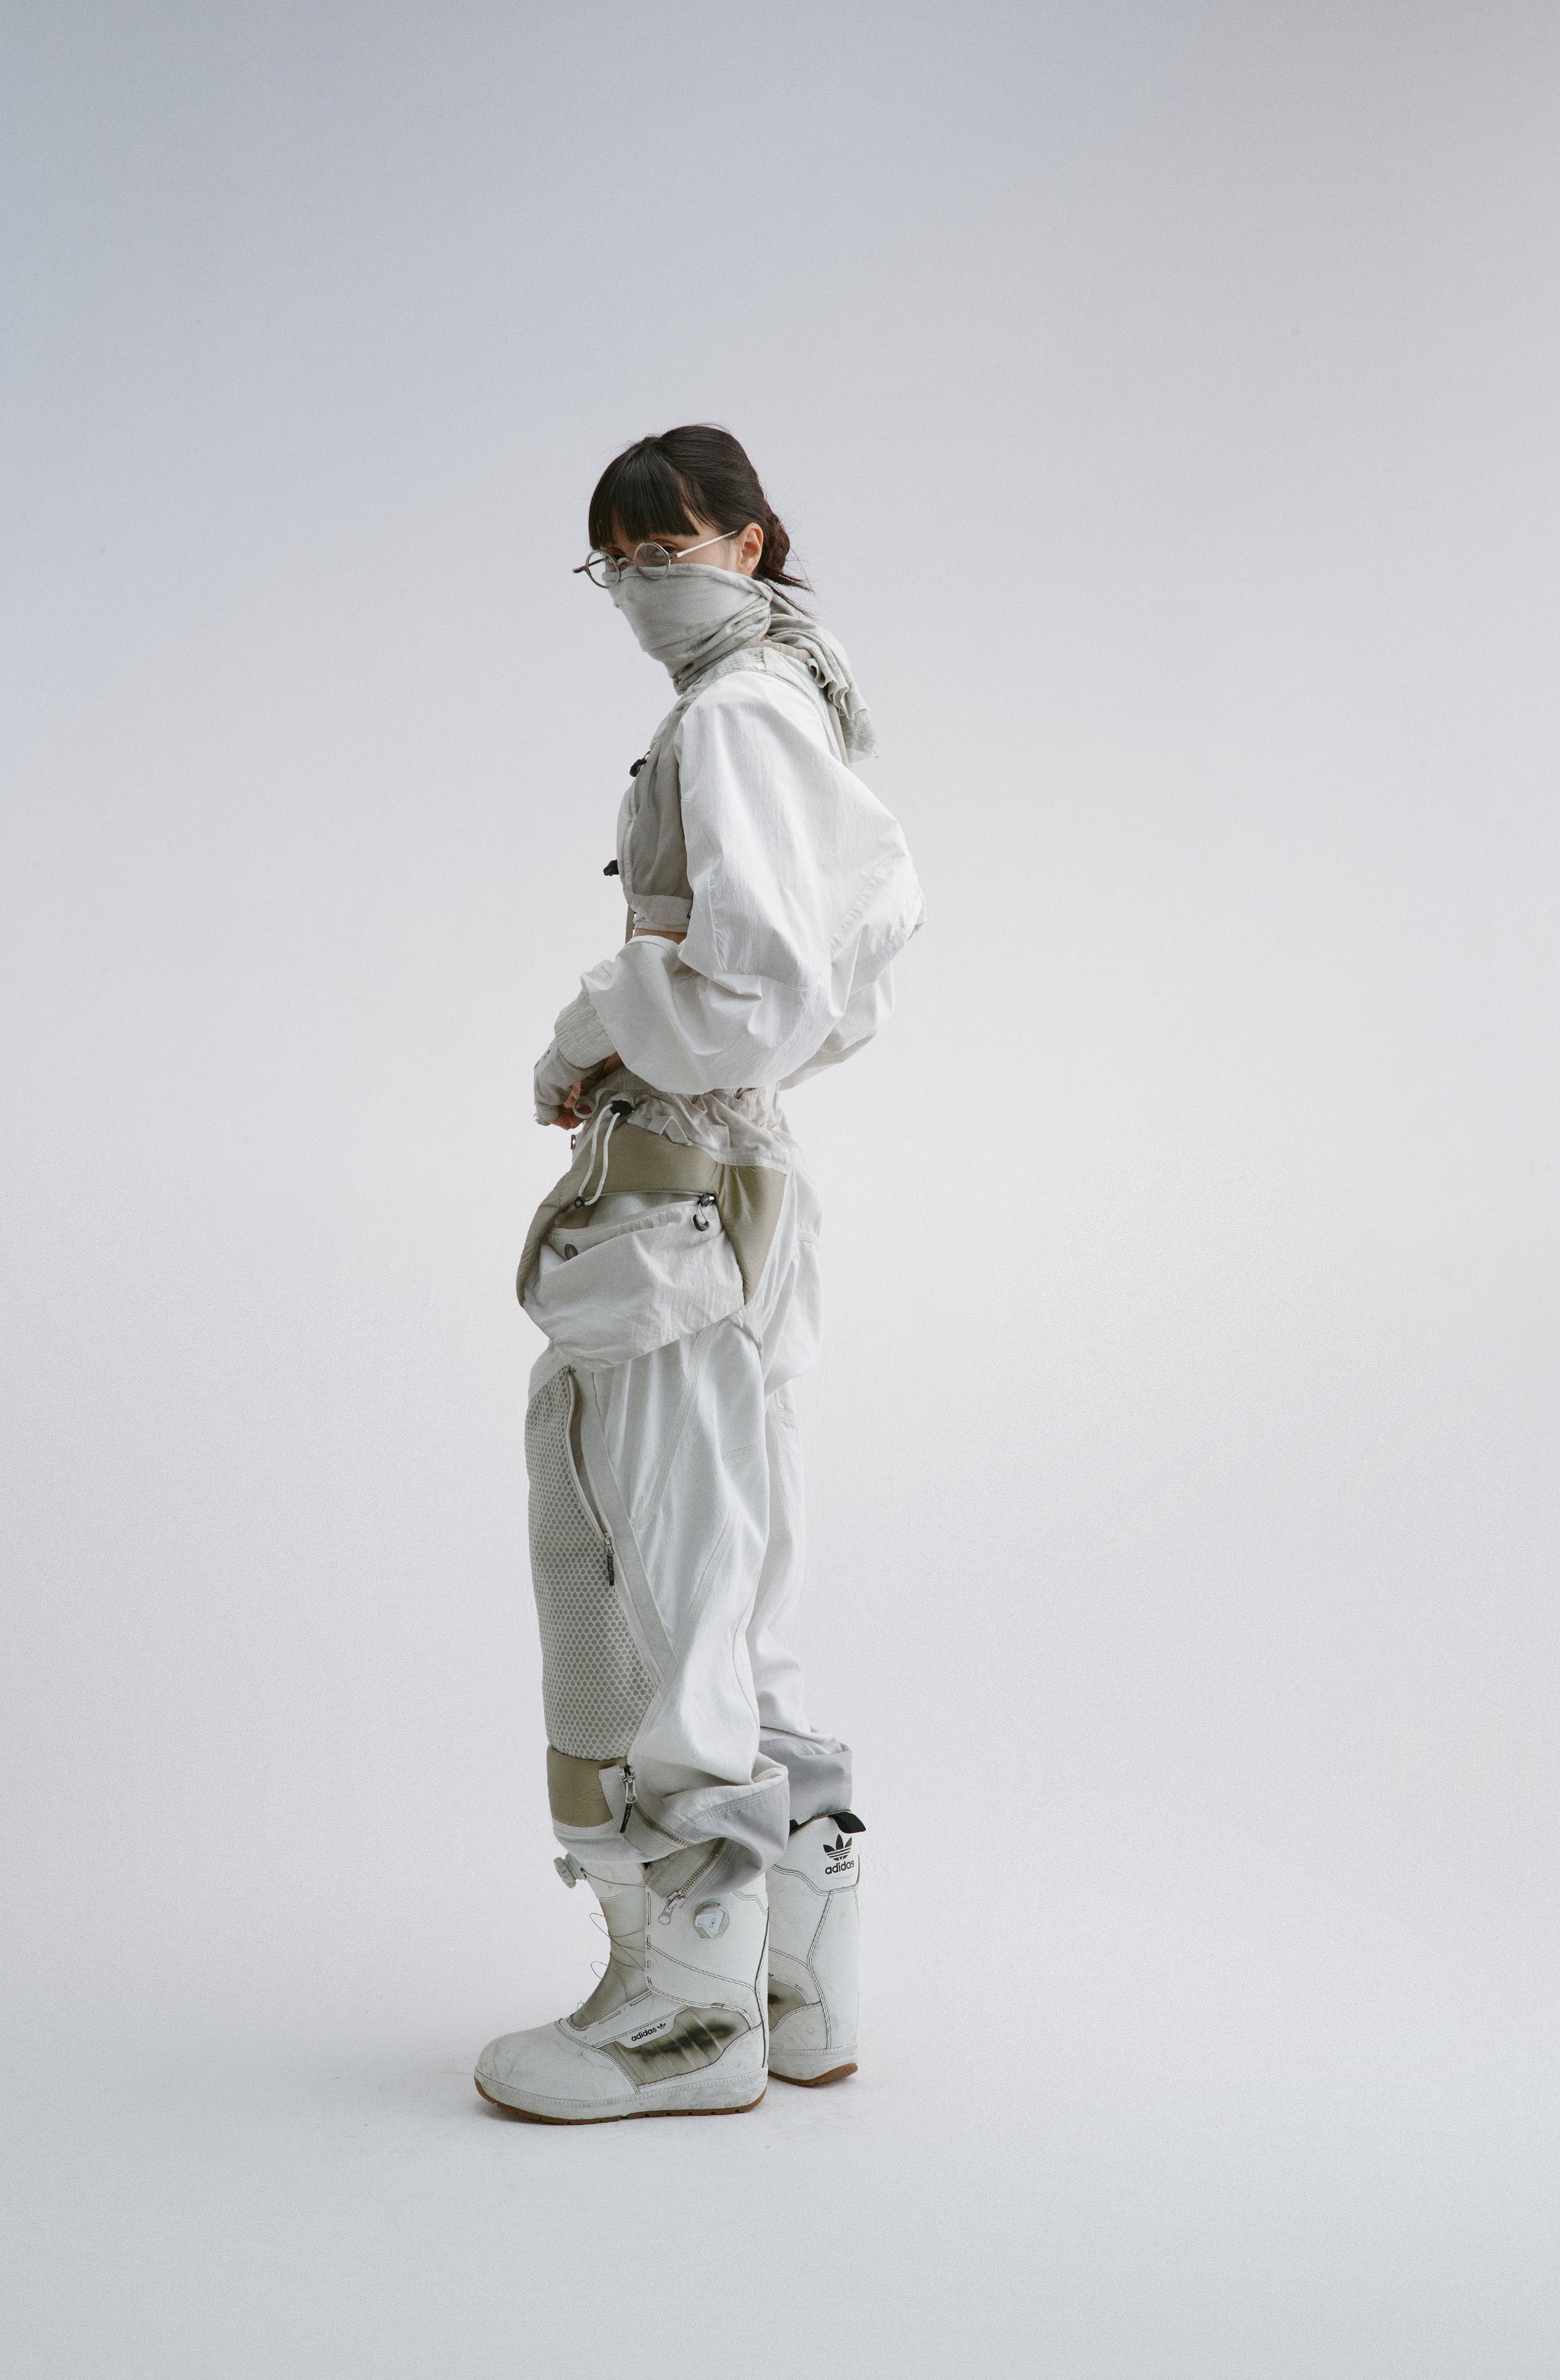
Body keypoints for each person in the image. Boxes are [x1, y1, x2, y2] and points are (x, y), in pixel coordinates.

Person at [474, 426, 924, 2124]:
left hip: (674, 1203)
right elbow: (856, 956)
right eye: (614, 560)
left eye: (666, 548)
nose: (639, 583)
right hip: (733, 1189)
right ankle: (796, 1983)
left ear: (747, 539)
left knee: (643, 1568)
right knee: (732, 1579)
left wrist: (598, 1022)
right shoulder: (799, 697)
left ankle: (684, 2010)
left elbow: (763, 986)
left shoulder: (735, 714)